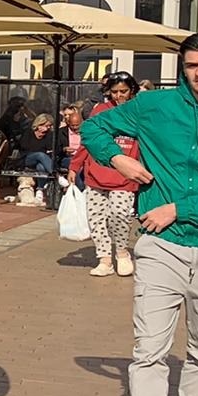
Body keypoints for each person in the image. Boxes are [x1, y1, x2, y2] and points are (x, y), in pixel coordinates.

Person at [80, 33, 198, 396]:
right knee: (149, 347)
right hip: (161, 245)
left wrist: (183, 208)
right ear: (182, 68)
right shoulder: (155, 107)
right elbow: (93, 128)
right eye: (192, 65)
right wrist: (117, 158)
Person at [73, 72, 141, 278]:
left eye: (123, 91)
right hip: (96, 173)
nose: (119, 96)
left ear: (132, 91)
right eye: (114, 92)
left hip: (125, 175)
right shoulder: (100, 111)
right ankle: (103, 258)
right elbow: (88, 139)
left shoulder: (139, 112)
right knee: (96, 218)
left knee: (120, 214)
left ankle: (121, 253)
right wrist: (74, 166)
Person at [13, 112, 55, 207]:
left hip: (41, 160)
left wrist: (45, 135)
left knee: (41, 166)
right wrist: (38, 136)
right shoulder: (29, 132)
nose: (47, 128)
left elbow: (49, 148)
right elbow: (24, 147)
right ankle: (56, 174)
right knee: (40, 155)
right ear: (39, 124)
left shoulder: (49, 135)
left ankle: (39, 191)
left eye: (49, 126)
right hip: (27, 158)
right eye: (45, 125)